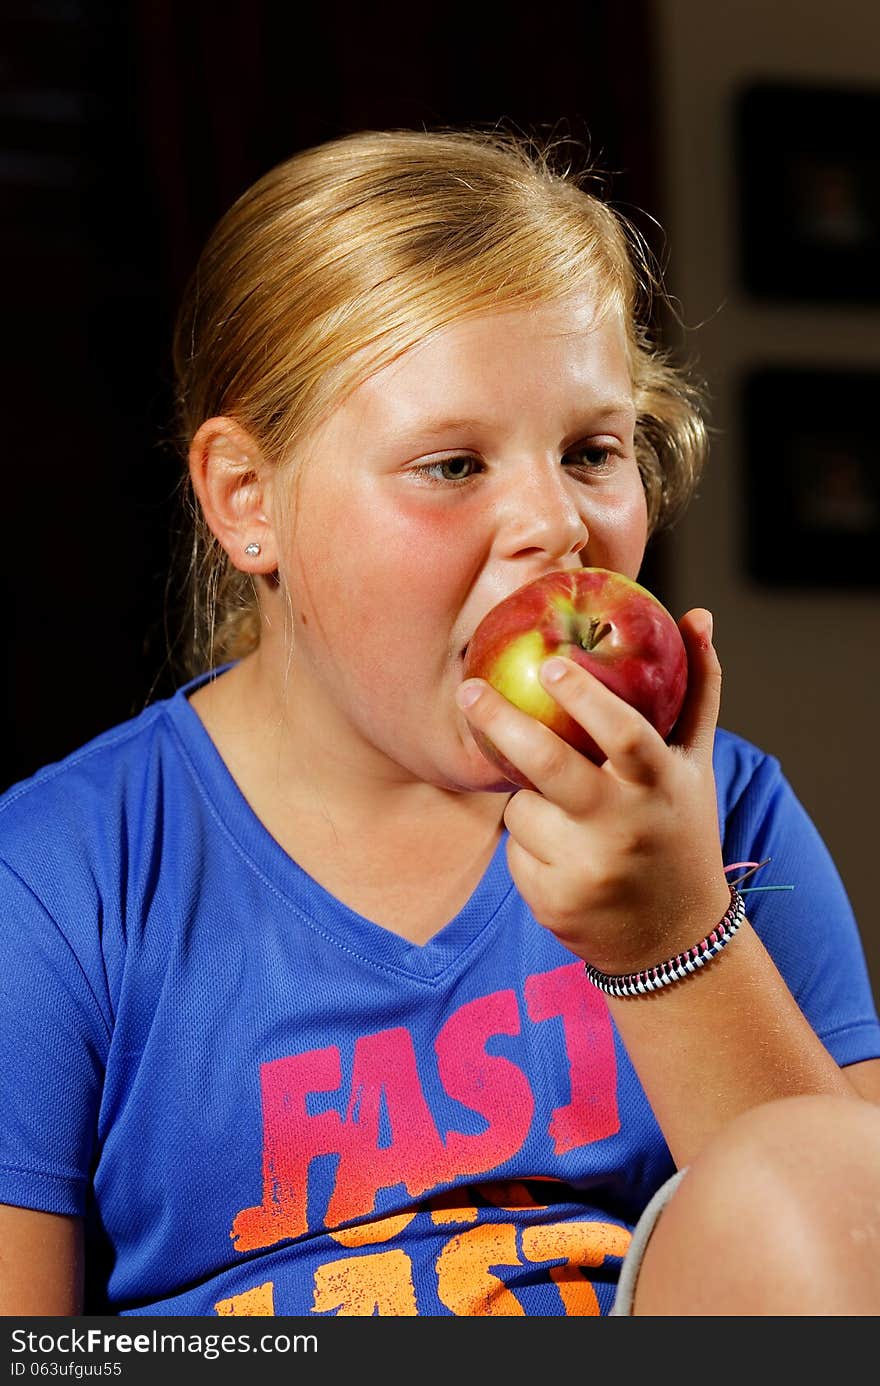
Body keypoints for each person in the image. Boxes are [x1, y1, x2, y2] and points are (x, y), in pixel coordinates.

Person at [2, 127, 880, 1320]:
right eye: (453, 464)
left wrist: (676, 931)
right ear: (246, 502)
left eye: (591, 451)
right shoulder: (60, 883)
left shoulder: (726, 820)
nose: (553, 526)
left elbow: (844, 1252)